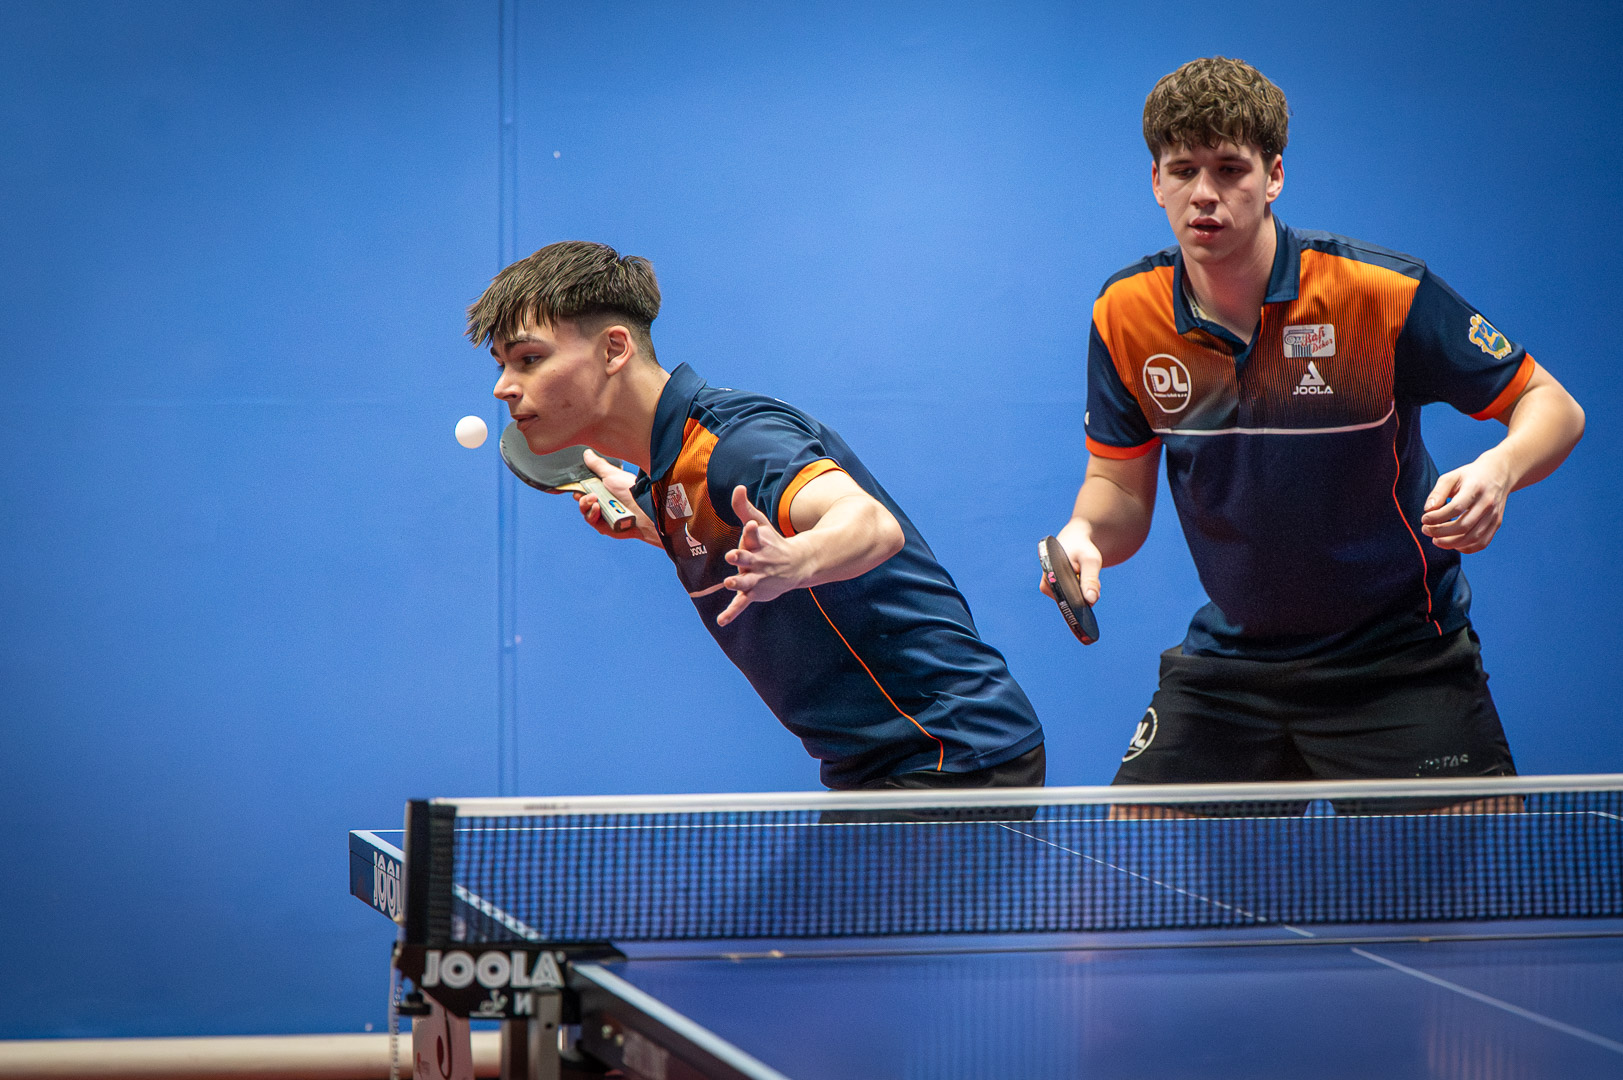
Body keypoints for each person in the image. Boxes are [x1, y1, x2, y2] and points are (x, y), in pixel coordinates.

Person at [1049, 57, 1584, 791]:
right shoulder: (1126, 312)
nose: (1203, 193)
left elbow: (1552, 406)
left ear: (1273, 175)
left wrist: (1499, 469)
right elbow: (1117, 491)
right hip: (1234, 663)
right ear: (1156, 181)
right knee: (1138, 846)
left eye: (1229, 169)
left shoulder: (1379, 294)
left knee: (1471, 856)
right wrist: (1084, 535)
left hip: (1399, 657)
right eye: (1183, 170)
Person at [475, 240, 1044, 791]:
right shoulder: (671, 471)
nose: (503, 387)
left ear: (614, 349)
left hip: (952, 755)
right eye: (501, 365)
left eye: (529, 359)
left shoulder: (736, 443)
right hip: (873, 765)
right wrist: (654, 521)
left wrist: (799, 560)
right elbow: (719, 525)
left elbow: (871, 523)